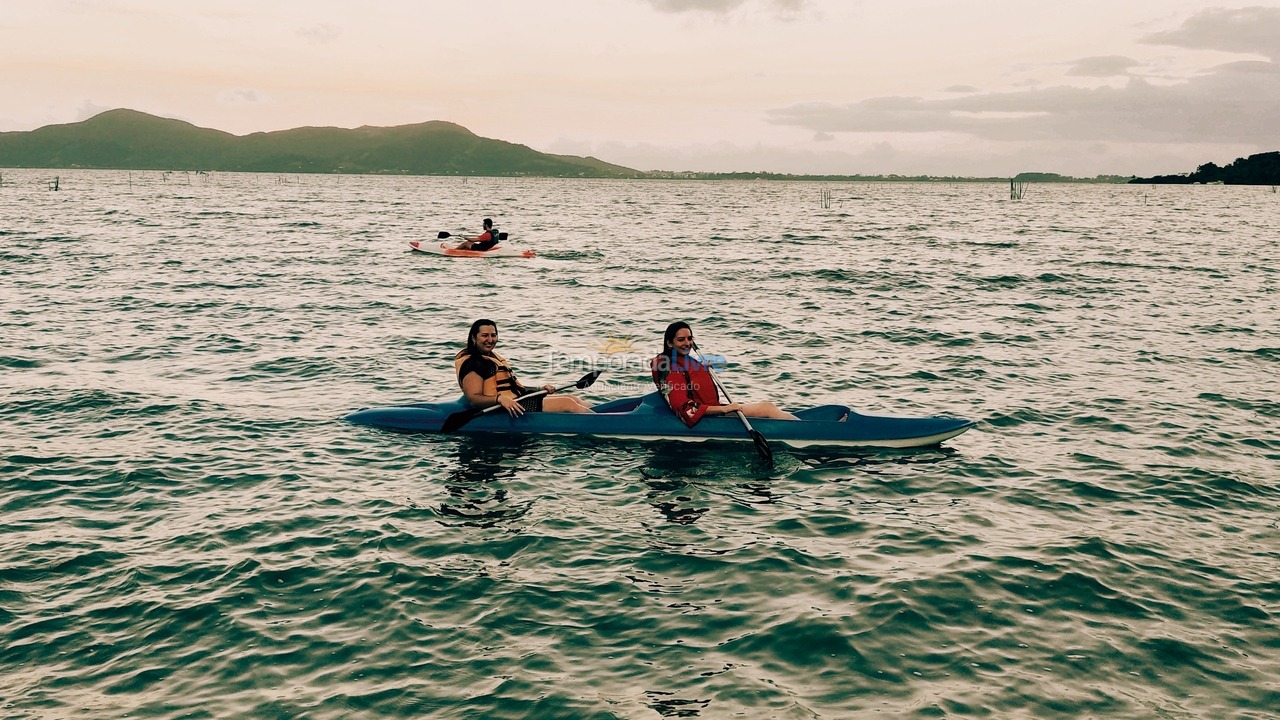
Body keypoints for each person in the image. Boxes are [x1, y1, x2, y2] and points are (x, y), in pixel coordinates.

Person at [650, 321, 797, 428]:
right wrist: (724, 409)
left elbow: (688, 379)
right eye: (681, 340)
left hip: (711, 410)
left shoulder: (680, 360)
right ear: (670, 343)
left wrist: (700, 369)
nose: (687, 343)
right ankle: (803, 429)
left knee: (769, 408)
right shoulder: (671, 369)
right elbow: (684, 408)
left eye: (690, 338)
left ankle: (796, 423)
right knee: (767, 408)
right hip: (706, 418)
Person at [455, 319, 593, 417]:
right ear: (474, 338)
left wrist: (539, 389)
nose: (490, 340)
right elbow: (474, 399)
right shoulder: (473, 364)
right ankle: (600, 423)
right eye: (485, 335)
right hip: (500, 408)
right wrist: (500, 399)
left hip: (516, 401)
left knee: (571, 398)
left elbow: (511, 388)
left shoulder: (492, 358)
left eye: (493, 335)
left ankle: (599, 415)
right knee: (567, 403)